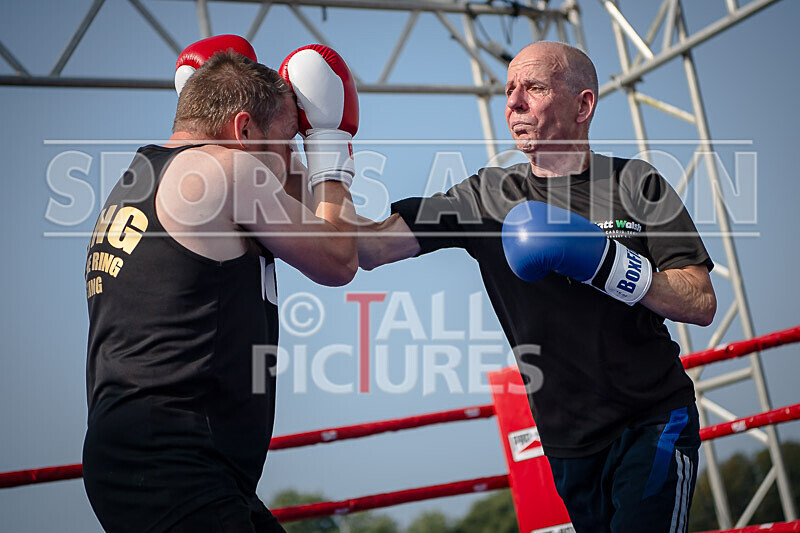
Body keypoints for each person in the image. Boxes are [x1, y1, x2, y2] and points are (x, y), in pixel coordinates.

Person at [357, 41, 716, 532]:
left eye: (534, 88)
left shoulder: (637, 183)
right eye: (509, 90)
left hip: (652, 418)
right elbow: (367, 249)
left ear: (582, 106)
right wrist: (322, 154)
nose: (514, 103)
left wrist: (608, 263)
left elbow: (700, 300)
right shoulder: (486, 196)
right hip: (567, 443)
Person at [82, 35, 359, 533]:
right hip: (175, 464)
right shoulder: (226, 169)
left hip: (155, 460)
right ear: (243, 130)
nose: (288, 161)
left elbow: (335, 237)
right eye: (285, 144)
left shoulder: (139, 181)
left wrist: (281, 132)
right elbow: (339, 259)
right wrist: (327, 142)